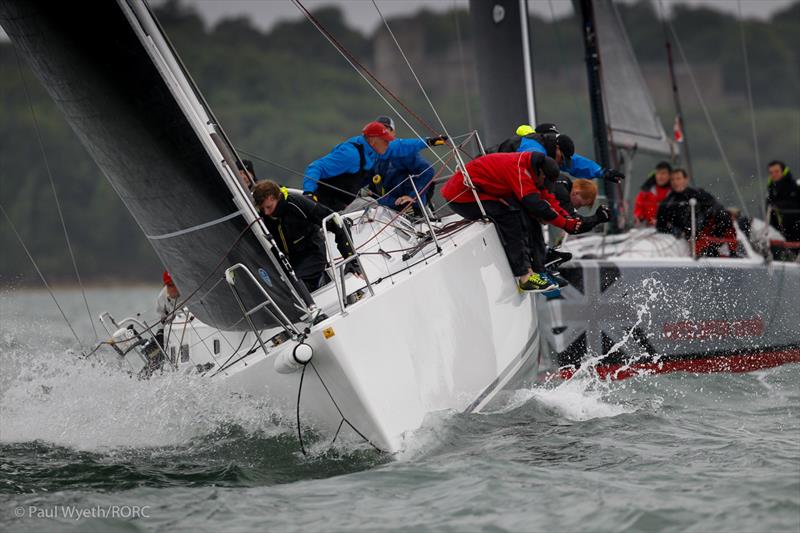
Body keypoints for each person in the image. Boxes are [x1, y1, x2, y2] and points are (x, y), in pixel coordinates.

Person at [440, 151, 584, 292]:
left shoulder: (534, 169)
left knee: (530, 217)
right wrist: (564, 224)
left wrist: (567, 218)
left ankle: (539, 270)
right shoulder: (519, 170)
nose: (543, 184)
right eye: (544, 181)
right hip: (462, 196)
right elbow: (536, 204)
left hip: (484, 191)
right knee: (511, 218)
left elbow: (547, 198)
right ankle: (525, 277)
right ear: (541, 173)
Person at [253, 180, 357, 291]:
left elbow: (337, 222)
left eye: (269, 207)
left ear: (277, 197)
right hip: (289, 262)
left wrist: (351, 260)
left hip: (313, 254)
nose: (267, 213)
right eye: (263, 209)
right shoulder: (263, 217)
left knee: (294, 285)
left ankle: (320, 283)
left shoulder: (297, 204)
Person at [302, 121, 390, 212]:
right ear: (372, 140)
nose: (388, 144)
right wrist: (309, 193)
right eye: (385, 140)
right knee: (370, 202)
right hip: (323, 204)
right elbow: (316, 167)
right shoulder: (351, 154)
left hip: (342, 207)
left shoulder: (374, 153)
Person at [370, 115, 447, 212]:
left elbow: (428, 171)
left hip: (410, 207)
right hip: (388, 208)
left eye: (385, 129)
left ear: (393, 133)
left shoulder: (403, 152)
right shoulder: (374, 156)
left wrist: (412, 197)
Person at [656, 168, 735, 256]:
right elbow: (660, 225)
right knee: (706, 251)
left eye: (678, 178)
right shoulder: (667, 202)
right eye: (672, 179)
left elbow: (717, 207)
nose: (675, 182)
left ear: (686, 180)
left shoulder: (698, 194)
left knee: (723, 215)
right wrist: (674, 230)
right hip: (689, 237)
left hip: (706, 232)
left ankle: (729, 250)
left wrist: (705, 218)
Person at [766, 160, 800, 242]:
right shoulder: (770, 190)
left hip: (796, 228)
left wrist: (779, 206)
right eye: (771, 172)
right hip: (778, 231)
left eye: (777, 171)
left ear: (784, 171)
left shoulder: (795, 187)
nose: (774, 175)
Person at [633, 161, 673, 226]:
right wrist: (640, 218)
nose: (660, 176)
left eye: (663, 173)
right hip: (647, 229)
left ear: (670, 175)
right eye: (658, 173)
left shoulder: (675, 192)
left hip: (669, 230)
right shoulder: (645, 192)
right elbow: (638, 210)